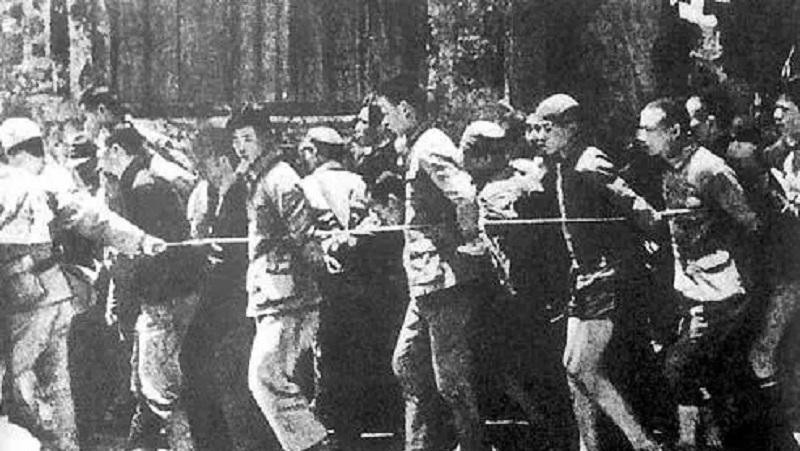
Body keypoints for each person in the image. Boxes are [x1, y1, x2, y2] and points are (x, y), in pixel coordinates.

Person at [0, 117, 165, 450]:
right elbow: (94, 218)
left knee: (17, 385)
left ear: (11, 153)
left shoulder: (12, 183)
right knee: (58, 384)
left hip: (24, 300)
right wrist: (140, 240)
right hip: (57, 296)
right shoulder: (53, 179)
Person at [526, 94, 663, 451]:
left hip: (606, 275)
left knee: (581, 368)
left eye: (547, 128)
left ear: (570, 128)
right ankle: (589, 446)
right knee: (572, 371)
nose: (539, 136)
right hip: (584, 276)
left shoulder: (588, 162)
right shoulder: (562, 162)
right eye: (537, 129)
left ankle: (643, 443)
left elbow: (636, 206)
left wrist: (658, 234)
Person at [637, 98, 762, 450]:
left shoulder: (709, 169)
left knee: (683, 366)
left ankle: (694, 441)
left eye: (649, 129)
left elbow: (750, 224)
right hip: (691, 291)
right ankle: (706, 438)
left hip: (723, 292)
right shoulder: (666, 168)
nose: (642, 137)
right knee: (695, 372)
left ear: (674, 131)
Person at [379, 73, 491, 451]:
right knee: (407, 364)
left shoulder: (430, 146)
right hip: (426, 281)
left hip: (444, 280)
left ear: (405, 111)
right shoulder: (418, 145)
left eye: (387, 113)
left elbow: (465, 195)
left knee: (451, 381)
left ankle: (474, 446)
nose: (385, 122)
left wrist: (471, 240)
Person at [228, 104, 332, 451]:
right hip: (271, 294)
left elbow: (305, 233)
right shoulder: (258, 178)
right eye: (236, 140)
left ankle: (314, 445)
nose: (240, 147)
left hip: (290, 296)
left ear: (265, 137)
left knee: (265, 377)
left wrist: (312, 275)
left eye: (247, 138)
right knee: (272, 378)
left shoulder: (280, 177)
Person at [97, 125, 206, 450]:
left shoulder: (142, 189)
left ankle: (182, 445)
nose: (101, 159)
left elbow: (158, 254)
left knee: (159, 385)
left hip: (163, 301)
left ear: (117, 150)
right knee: (146, 381)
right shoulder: (142, 183)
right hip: (164, 298)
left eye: (104, 151)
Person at [297, 126, 371, 447]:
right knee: (353, 355)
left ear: (314, 152)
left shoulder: (306, 185)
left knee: (323, 353)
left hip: (321, 282)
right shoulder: (358, 182)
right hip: (357, 285)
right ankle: (350, 430)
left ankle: (327, 428)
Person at [753, 83, 800, 445]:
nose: (777, 115)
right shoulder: (776, 156)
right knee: (770, 350)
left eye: (786, 108)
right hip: (790, 271)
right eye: (776, 108)